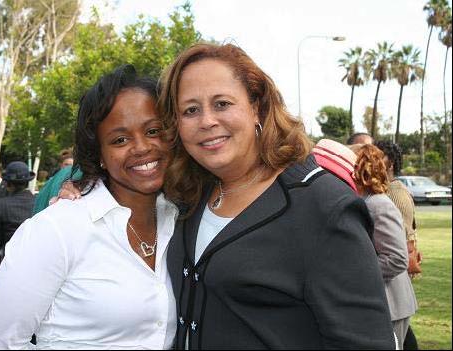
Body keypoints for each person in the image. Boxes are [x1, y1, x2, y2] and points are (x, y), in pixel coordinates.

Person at [157, 43, 395, 349]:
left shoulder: (322, 206)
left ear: (256, 106)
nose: (206, 121)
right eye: (190, 110)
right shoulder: (188, 195)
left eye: (222, 104)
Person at [0, 65, 178, 349]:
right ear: (99, 156)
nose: (142, 147)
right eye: (120, 139)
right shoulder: (56, 230)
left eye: (154, 130)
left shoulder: (182, 220)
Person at [350, 143, 417, 348]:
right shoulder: (371, 201)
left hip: (392, 305)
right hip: (386, 303)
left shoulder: (378, 205)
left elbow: (397, 259)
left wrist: (356, 273)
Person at [376, 140, 420, 350]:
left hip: (394, 281)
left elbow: (399, 241)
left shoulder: (392, 193)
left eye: (379, 156)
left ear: (390, 162)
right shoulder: (392, 190)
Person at [0, 161, 36, 264]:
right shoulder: (37, 203)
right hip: (34, 258)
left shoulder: (0, 205)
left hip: (9, 259)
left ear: (8, 184)